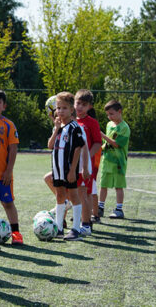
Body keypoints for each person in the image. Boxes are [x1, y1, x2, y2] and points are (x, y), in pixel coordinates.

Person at [0, 89, 24, 245]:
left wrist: (9, 170)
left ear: (4, 106)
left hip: (2, 174)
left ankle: (16, 233)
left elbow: (13, 148)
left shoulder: (8, 124)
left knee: (8, 203)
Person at [47, 92, 86, 241]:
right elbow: (50, 146)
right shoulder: (58, 127)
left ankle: (76, 229)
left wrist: (72, 170)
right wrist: (56, 128)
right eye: (58, 108)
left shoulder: (74, 127)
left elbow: (77, 149)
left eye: (64, 108)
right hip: (57, 169)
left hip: (69, 169)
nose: (60, 111)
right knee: (60, 195)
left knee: (74, 196)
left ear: (71, 110)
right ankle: (59, 228)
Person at [74, 89, 103, 235]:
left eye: (83, 105)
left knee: (85, 193)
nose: (79, 107)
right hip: (71, 164)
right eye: (78, 103)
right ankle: (74, 220)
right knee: (72, 192)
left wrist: (87, 157)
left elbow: (98, 143)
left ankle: (86, 224)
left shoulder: (92, 123)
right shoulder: (70, 120)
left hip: (85, 166)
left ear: (89, 107)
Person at [98, 100, 129, 219]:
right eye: (108, 114)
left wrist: (102, 135)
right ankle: (100, 208)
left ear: (119, 111)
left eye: (111, 114)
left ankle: (119, 209)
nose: (109, 117)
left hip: (118, 163)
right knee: (103, 185)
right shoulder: (109, 125)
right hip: (107, 161)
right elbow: (107, 143)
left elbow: (117, 144)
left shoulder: (124, 127)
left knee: (118, 186)